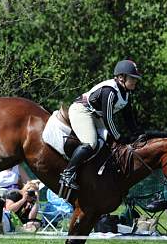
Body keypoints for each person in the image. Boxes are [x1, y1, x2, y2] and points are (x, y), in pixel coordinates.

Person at [60, 59, 143, 190]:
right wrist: (119, 137)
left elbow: (129, 118)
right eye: (132, 77)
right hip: (81, 110)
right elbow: (108, 118)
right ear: (121, 77)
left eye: (135, 78)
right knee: (91, 142)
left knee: (110, 143)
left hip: (95, 115)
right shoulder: (110, 91)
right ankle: (67, 174)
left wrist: (138, 133)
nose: (135, 81)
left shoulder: (127, 93)